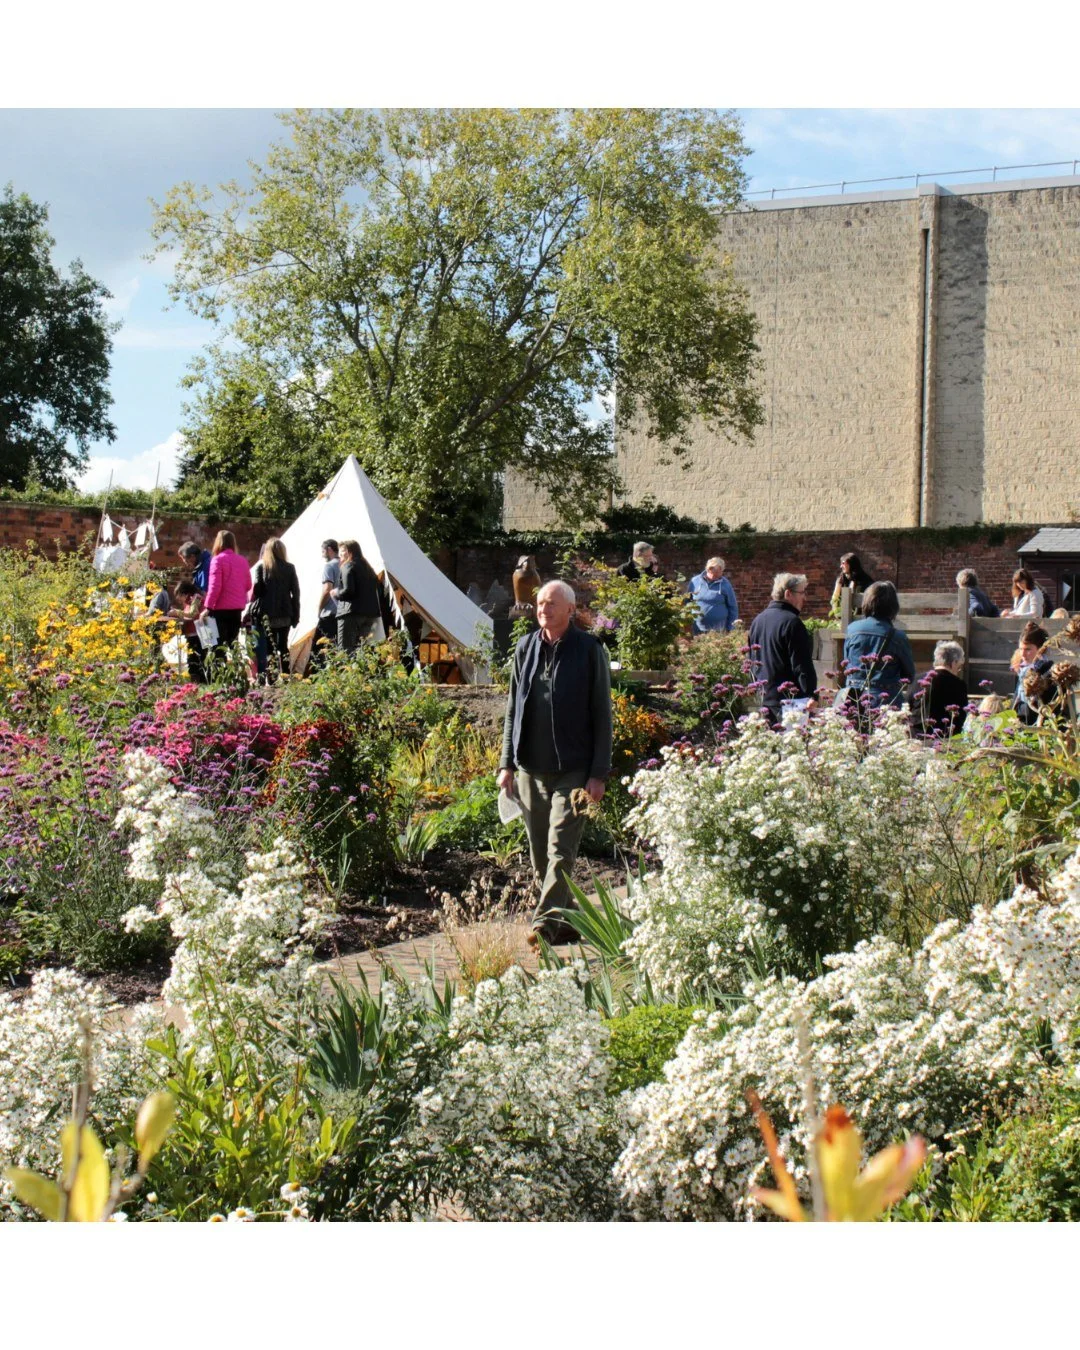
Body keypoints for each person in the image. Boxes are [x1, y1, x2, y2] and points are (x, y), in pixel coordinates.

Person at [497, 580, 612, 946]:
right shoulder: (525, 647)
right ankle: (563, 924)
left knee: (560, 850)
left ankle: (542, 928)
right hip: (530, 767)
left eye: (552, 603)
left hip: (574, 769)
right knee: (539, 858)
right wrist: (506, 764)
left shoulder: (589, 650)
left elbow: (602, 714)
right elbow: (513, 708)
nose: (543, 608)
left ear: (570, 610)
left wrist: (598, 773)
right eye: (541, 602)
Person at [747, 573, 818, 726]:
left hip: (764, 698)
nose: (804, 598)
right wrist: (811, 694)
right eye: (802, 592)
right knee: (793, 747)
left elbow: (752, 661)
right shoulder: (792, 623)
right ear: (788, 594)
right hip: (790, 702)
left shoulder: (757, 620)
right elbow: (801, 664)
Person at [840, 580, 916, 710]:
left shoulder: (852, 629)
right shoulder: (898, 637)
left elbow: (847, 663)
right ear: (893, 606)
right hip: (885, 702)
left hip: (853, 700)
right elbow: (909, 674)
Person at [249, 538, 301, 683]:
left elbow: (258, 591)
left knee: (270, 648)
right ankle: (285, 677)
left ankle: (271, 678)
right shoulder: (290, 568)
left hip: (267, 614)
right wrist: (296, 615)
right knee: (283, 646)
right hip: (285, 613)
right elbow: (296, 593)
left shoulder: (262, 567)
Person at [203, 530, 252, 657]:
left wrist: (207, 607)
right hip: (237, 610)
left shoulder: (217, 560)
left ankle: (220, 675)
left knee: (218, 648)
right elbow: (248, 585)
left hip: (220, 610)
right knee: (233, 645)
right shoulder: (243, 561)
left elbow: (215, 586)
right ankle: (235, 673)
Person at [912, 640, 969, 739]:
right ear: (954, 662)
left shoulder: (917, 680)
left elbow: (908, 708)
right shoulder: (958, 684)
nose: (958, 671)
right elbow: (961, 716)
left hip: (916, 737)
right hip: (945, 739)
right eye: (959, 667)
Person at [332, 539, 381, 653]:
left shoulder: (348, 566)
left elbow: (348, 591)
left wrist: (336, 593)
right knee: (362, 649)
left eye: (342, 551)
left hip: (350, 613)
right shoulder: (368, 568)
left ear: (349, 552)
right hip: (369, 613)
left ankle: (348, 671)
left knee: (346, 649)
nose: (339, 554)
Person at [1011, 621, 1050, 725]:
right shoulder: (1022, 670)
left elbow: (1042, 706)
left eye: (1028, 649)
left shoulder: (1047, 673)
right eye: (1020, 649)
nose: (1023, 654)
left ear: (1041, 650)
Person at [688, 556, 739, 634]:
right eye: (712, 573)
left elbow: (733, 607)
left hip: (719, 630)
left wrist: (730, 628)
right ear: (708, 569)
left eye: (718, 573)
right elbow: (687, 601)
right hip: (698, 628)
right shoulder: (695, 582)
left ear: (722, 571)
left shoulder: (725, 584)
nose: (714, 576)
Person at [170, 581, 207, 683]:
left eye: (178, 595)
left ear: (185, 593)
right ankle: (195, 681)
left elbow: (192, 614)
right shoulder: (187, 602)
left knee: (197, 658)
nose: (178, 598)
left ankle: (201, 681)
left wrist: (176, 612)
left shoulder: (196, 598)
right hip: (191, 633)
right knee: (192, 658)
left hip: (198, 634)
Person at [313, 539, 341, 663]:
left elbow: (327, 589)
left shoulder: (329, 566)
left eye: (323, 551)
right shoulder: (345, 563)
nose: (322, 554)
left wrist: (320, 608)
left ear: (329, 549)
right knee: (339, 647)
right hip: (343, 611)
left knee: (320, 648)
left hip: (329, 612)